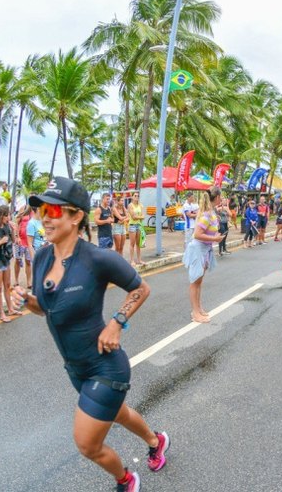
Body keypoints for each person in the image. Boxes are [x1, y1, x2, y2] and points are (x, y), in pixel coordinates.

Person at [15, 177, 169, 492]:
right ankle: (157, 441)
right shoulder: (43, 257)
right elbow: (47, 309)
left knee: (87, 444)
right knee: (119, 414)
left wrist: (116, 322)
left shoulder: (98, 258)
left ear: (76, 216)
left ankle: (126, 481)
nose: (45, 217)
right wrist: (30, 302)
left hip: (105, 366)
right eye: (42, 209)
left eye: (53, 210)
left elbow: (142, 288)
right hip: (76, 368)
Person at [183, 187, 224, 323]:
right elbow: (197, 234)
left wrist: (214, 235)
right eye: (221, 196)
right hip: (198, 250)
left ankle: (199, 308)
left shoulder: (210, 212)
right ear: (217, 197)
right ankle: (195, 313)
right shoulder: (206, 213)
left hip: (205, 250)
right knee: (195, 282)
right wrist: (215, 239)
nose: (222, 198)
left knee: (199, 281)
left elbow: (207, 230)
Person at [0, 205, 20, 323]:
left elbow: (14, 241)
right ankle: (1, 313)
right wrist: (0, 241)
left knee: (7, 285)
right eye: (6, 215)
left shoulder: (7, 227)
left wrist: (14, 230)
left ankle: (10, 309)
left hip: (5, 259)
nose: (8, 217)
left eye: (9, 215)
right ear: (1, 216)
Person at [14, 205, 34, 289]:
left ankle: (29, 281)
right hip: (20, 240)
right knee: (18, 260)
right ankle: (16, 280)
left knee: (28, 261)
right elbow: (16, 222)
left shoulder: (36, 210)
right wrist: (16, 236)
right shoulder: (24, 208)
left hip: (30, 241)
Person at [127, 192, 144, 267]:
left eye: (138, 196)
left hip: (139, 225)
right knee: (132, 243)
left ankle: (139, 259)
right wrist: (140, 217)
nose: (137, 197)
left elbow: (143, 215)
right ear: (132, 197)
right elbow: (133, 217)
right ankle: (132, 260)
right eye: (135, 196)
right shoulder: (130, 205)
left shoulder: (140, 205)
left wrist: (139, 217)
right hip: (132, 225)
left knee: (138, 243)